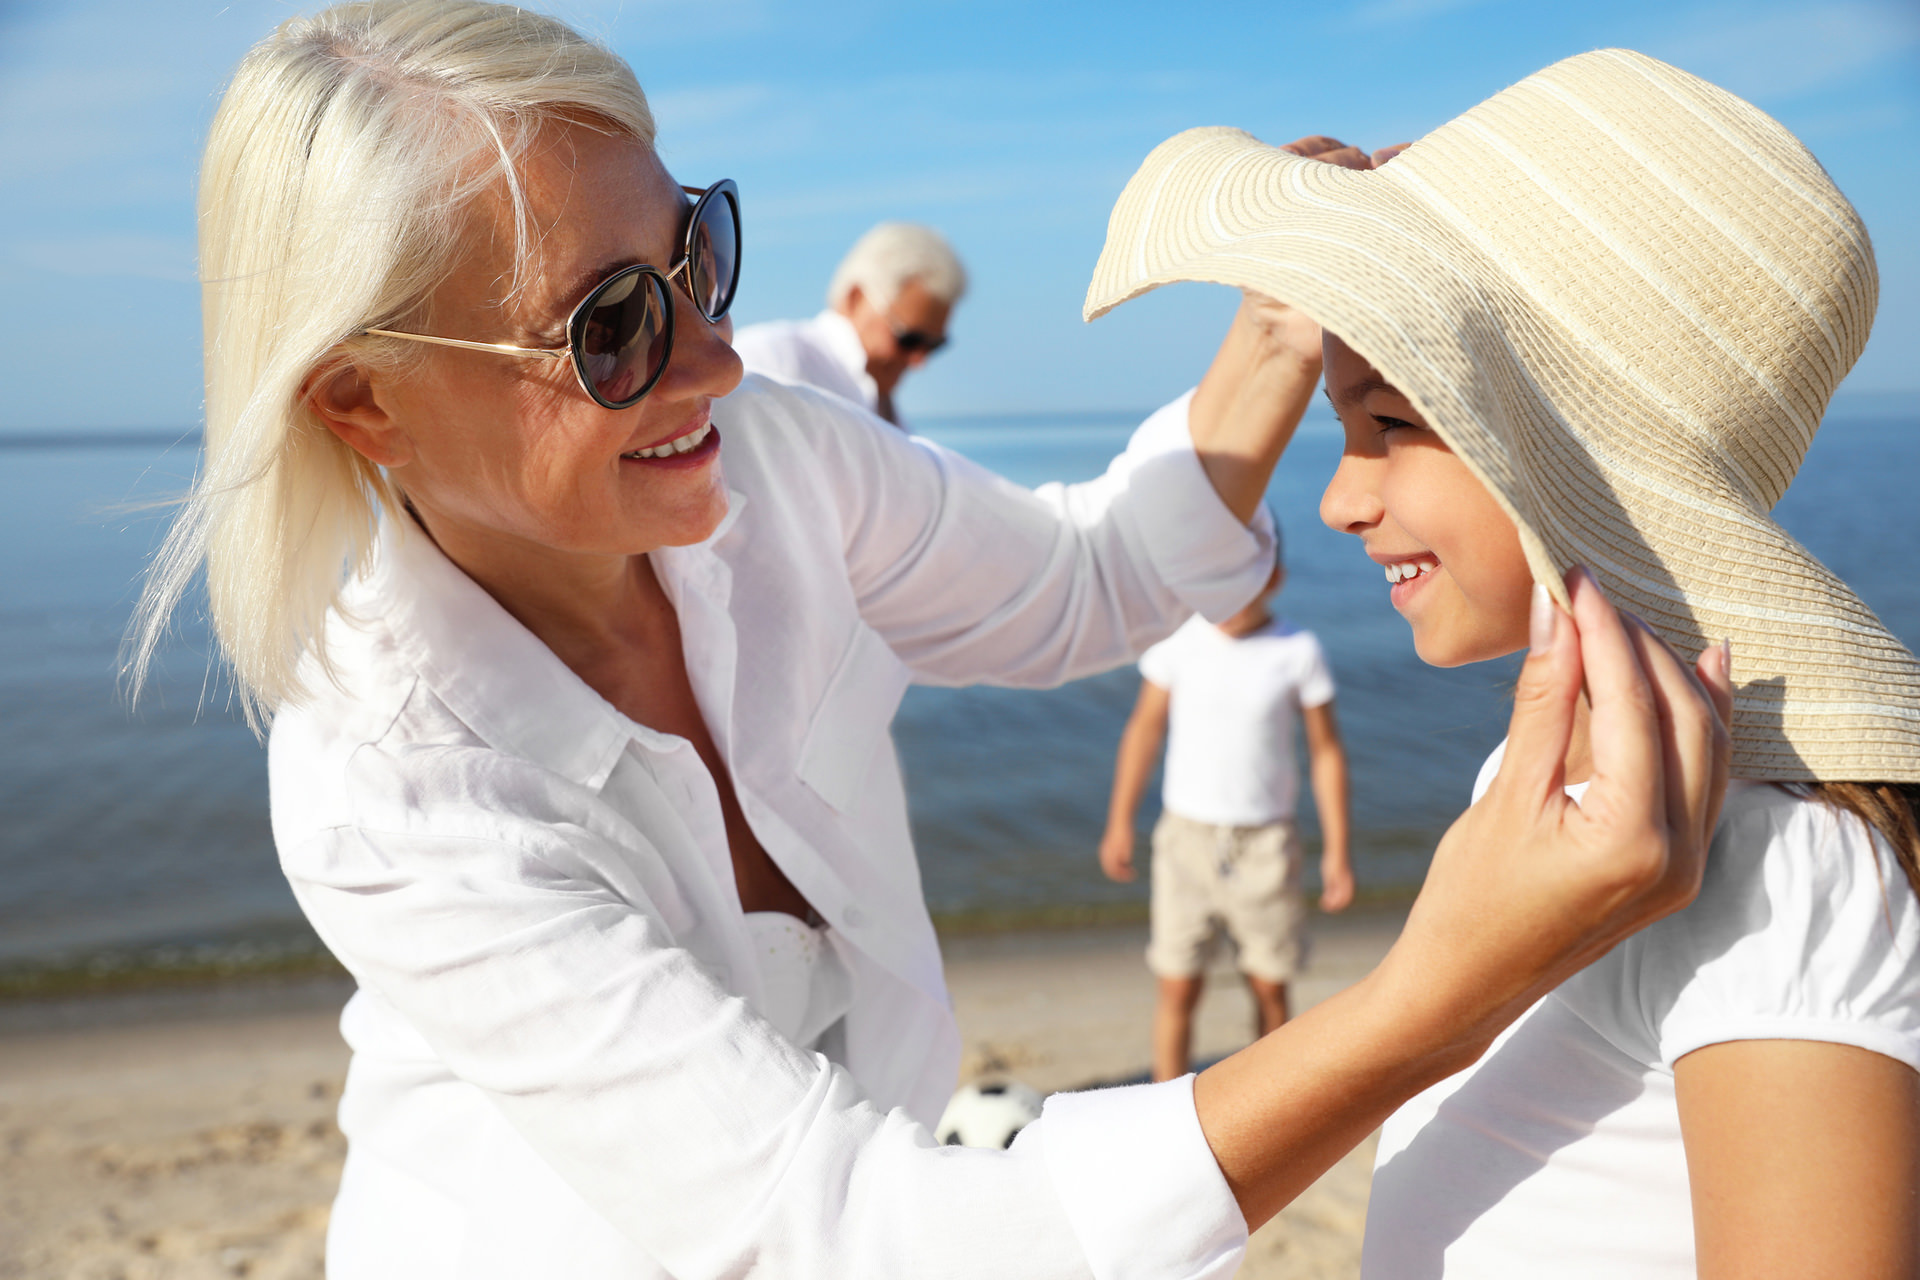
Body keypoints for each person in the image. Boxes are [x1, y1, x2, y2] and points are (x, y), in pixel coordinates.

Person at [127, 7, 1735, 1275]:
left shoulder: (764, 465)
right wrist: (1441, 988)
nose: (722, 360)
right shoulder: (395, 789)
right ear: (361, 401)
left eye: (698, 253)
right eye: (610, 328)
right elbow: (846, 1232)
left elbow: (1084, 584)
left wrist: (1278, 326)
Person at [1083, 49, 1920, 1279]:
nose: (1335, 502)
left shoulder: (1775, 866)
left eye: (1395, 427)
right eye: (1341, 426)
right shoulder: (1537, 791)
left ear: (1562, 455)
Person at [1098, 537, 1353, 1081]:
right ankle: (1164, 1097)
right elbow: (1144, 728)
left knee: (1268, 982)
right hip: (1184, 839)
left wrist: (1337, 852)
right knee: (1177, 982)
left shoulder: (1297, 650)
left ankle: (1273, 1091)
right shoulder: (1176, 642)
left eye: (1246, 581)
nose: (1231, 597)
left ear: (1274, 578)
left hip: (1266, 844)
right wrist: (1120, 820)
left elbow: (1326, 751)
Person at [732, 221, 964, 426]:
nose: (919, 361)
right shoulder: (773, 358)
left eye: (934, 345)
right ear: (857, 298)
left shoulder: (893, 419)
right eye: (909, 339)